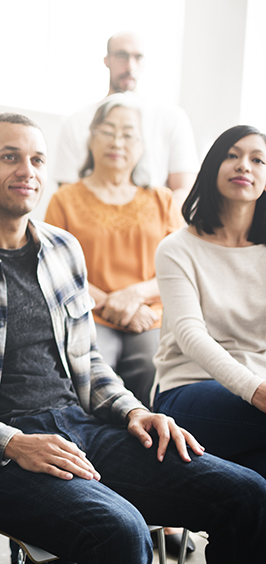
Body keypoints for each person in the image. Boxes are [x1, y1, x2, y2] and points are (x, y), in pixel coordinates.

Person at [0, 112, 266, 561]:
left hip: (81, 426)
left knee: (247, 494)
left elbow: (87, 359)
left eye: (37, 160)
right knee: (122, 531)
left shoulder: (63, 250)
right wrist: (12, 441)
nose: (26, 171)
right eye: (10, 157)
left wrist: (133, 410)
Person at [45, 94, 182, 406]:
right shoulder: (65, 199)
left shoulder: (162, 200)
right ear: (91, 138)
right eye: (108, 131)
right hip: (87, 312)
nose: (117, 142)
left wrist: (134, 298)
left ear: (142, 145)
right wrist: (113, 304)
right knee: (94, 369)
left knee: (152, 365)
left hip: (150, 315)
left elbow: (180, 270)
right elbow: (54, 269)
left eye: (128, 134)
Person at [153, 125, 266, 478]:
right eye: (232, 155)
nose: (244, 165)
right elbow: (191, 335)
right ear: (212, 168)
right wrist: (256, 390)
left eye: (257, 159)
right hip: (188, 391)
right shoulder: (177, 248)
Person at [53, 32, 198, 201]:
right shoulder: (74, 123)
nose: (130, 65)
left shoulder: (173, 119)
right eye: (122, 56)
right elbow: (66, 193)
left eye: (138, 57)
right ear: (106, 60)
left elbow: (184, 189)